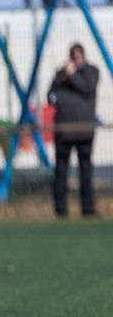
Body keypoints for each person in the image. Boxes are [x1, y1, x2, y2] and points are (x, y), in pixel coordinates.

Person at [48, 43, 100, 218]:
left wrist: (71, 76)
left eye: (78, 57)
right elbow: (51, 97)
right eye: (73, 57)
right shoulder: (61, 75)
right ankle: (61, 211)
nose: (75, 61)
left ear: (83, 57)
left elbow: (87, 88)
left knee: (85, 173)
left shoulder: (91, 72)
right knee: (61, 173)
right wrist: (62, 76)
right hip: (64, 132)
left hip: (84, 131)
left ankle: (88, 209)